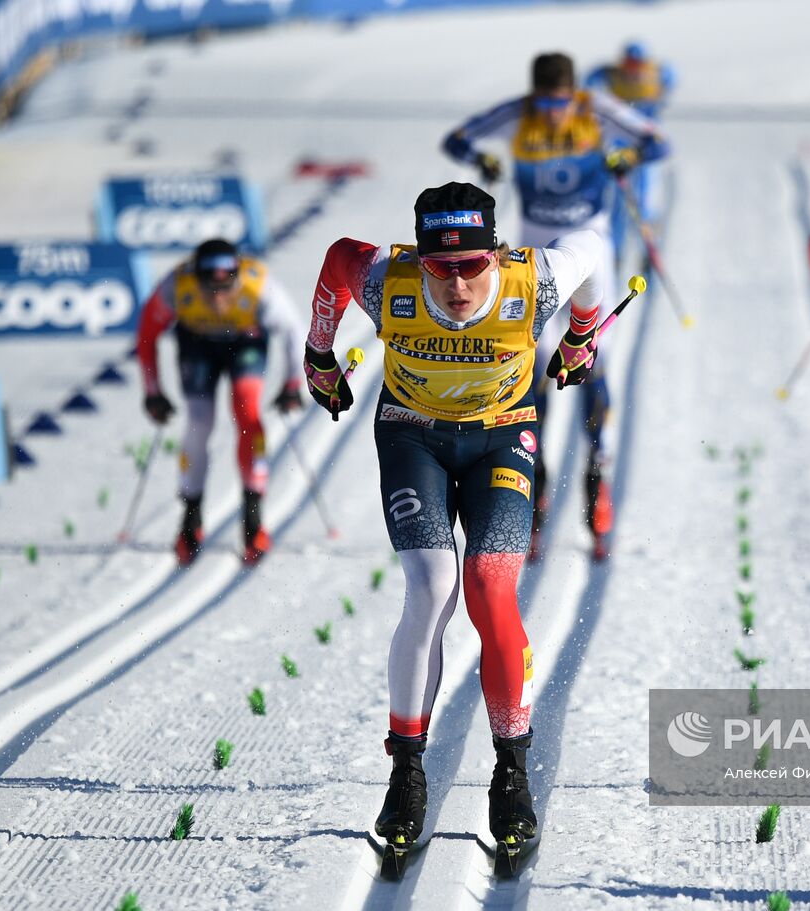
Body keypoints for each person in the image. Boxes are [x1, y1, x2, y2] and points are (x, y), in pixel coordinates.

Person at [302, 182, 607, 866]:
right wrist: (319, 353)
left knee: (490, 588)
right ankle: (407, 770)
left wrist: (582, 333)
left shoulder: (537, 280)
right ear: (420, 260)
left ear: (497, 252)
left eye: (473, 265)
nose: (460, 283)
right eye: (442, 269)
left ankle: (511, 773)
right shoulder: (388, 280)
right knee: (432, 586)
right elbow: (335, 257)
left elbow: (594, 246)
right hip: (415, 438)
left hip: (502, 437)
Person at [441, 51, 668, 560]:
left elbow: (657, 141)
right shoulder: (517, 113)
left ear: (573, 94)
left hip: (591, 253)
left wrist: (627, 157)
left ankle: (598, 481)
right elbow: (457, 139)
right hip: (537, 258)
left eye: (560, 102)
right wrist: (482, 160)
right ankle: (532, 498)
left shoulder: (597, 109)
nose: (552, 112)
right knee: (533, 373)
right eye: (544, 101)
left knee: (591, 363)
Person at [136, 238, 304, 567]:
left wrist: (292, 384)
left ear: (236, 278)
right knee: (199, 422)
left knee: (248, 412)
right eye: (209, 290)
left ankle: (253, 519)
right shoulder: (176, 285)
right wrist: (152, 391)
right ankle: (190, 517)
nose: (219, 298)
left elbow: (294, 330)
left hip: (245, 342)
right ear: (196, 278)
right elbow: (146, 334)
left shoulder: (259, 285)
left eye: (226, 289)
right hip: (197, 345)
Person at [587, 41, 676, 254]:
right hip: (621, 142)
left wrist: (663, 90)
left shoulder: (653, 73)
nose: (632, 68)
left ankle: (648, 242)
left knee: (643, 195)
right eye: (629, 62)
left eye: (637, 63)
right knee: (618, 196)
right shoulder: (613, 74)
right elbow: (591, 78)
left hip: (644, 143)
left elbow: (671, 75)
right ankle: (615, 247)